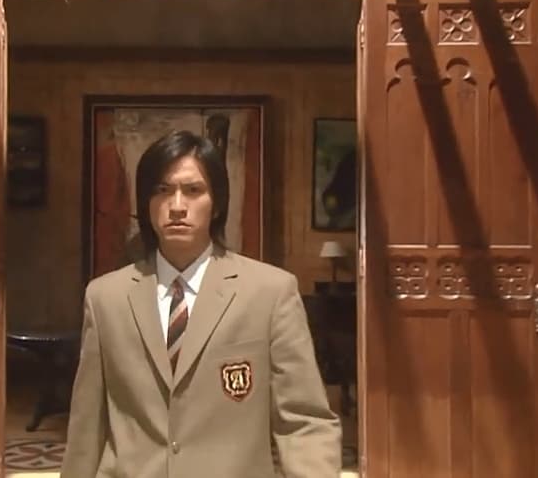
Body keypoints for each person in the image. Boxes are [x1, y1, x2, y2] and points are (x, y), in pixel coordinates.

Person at [61, 130, 341, 478]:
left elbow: (304, 420)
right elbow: (87, 426)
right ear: (145, 203)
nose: (177, 206)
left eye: (193, 190)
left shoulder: (270, 292)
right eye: (162, 190)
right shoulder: (106, 298)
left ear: (218, 203)